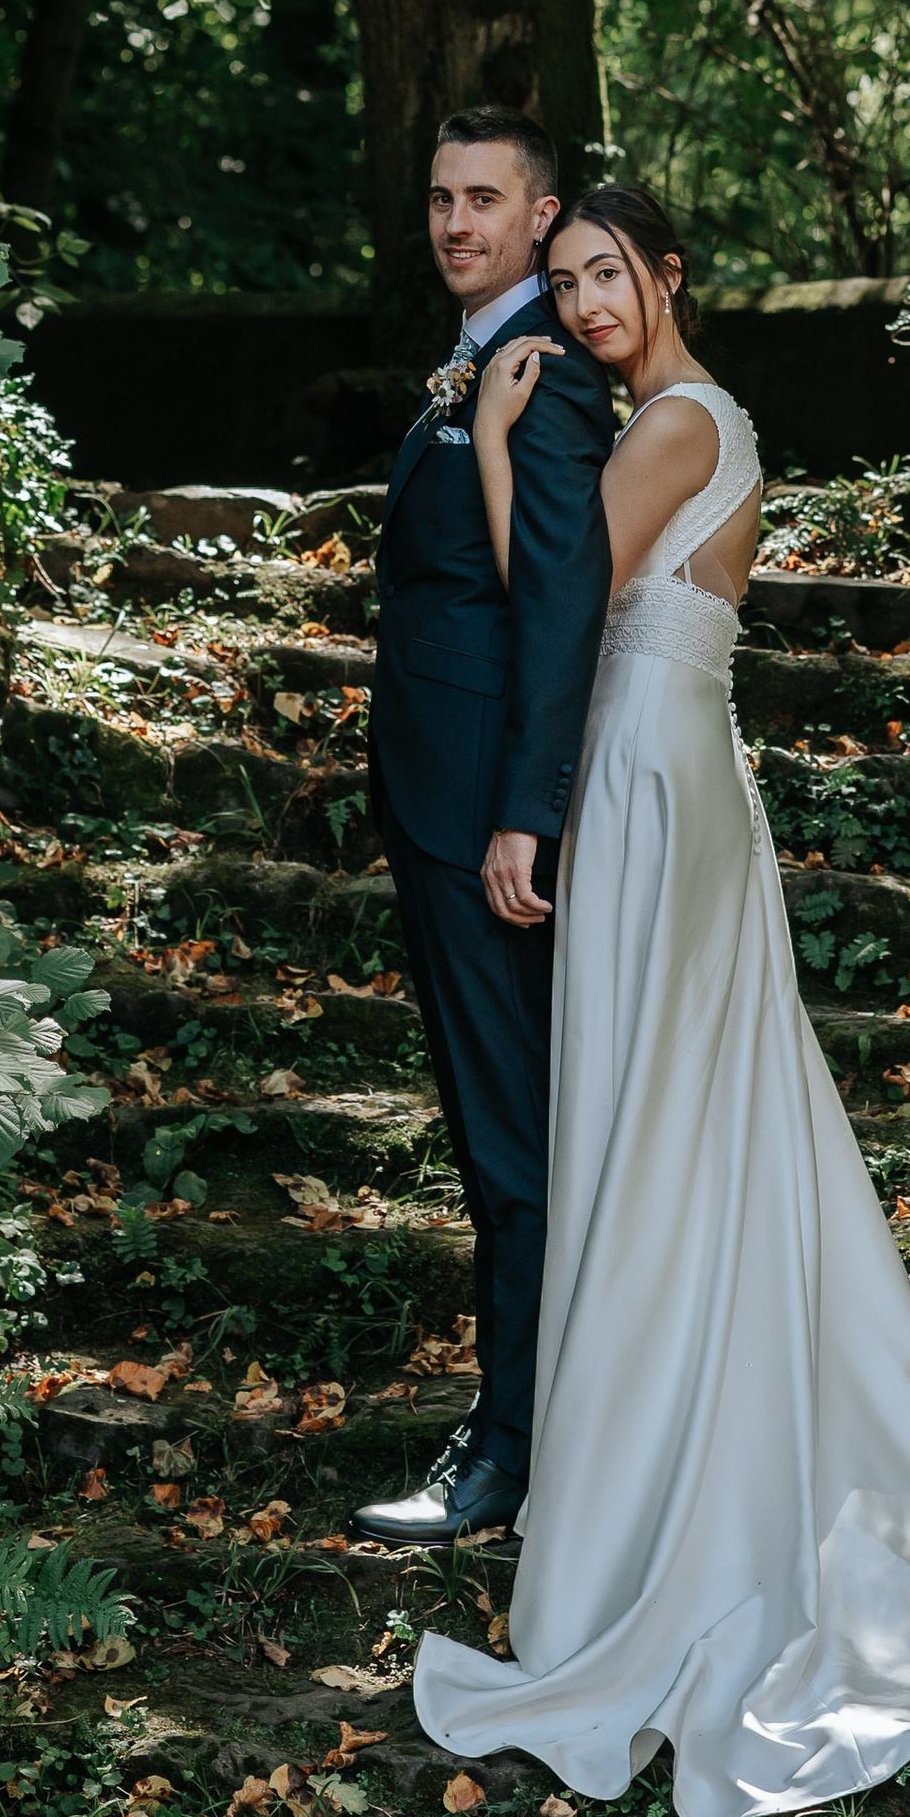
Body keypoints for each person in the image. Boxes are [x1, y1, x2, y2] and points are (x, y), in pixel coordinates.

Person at [410, 181, 910, 1817]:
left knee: (651, 1126)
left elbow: (552, 582)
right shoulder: (679, 414)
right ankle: (660, 1442)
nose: (583, 305)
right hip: (666, 768)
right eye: (562, 287)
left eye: (604, 273)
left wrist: (496, 438)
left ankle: (661, 1519)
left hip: (643, 775)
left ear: (667, 273)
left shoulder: (684, 421)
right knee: (667, 1127)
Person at [351, 109, 616, 1546]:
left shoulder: (547, 378)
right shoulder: (478, 360)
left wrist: (528, 812)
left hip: (486, 817)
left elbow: (561, 608)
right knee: (496, 1127)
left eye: (485, 200)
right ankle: (529, 1419)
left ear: (541, 214)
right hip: (437, 792)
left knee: (511, 1140)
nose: (456, 222)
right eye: (441, 196)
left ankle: (510, 1451)